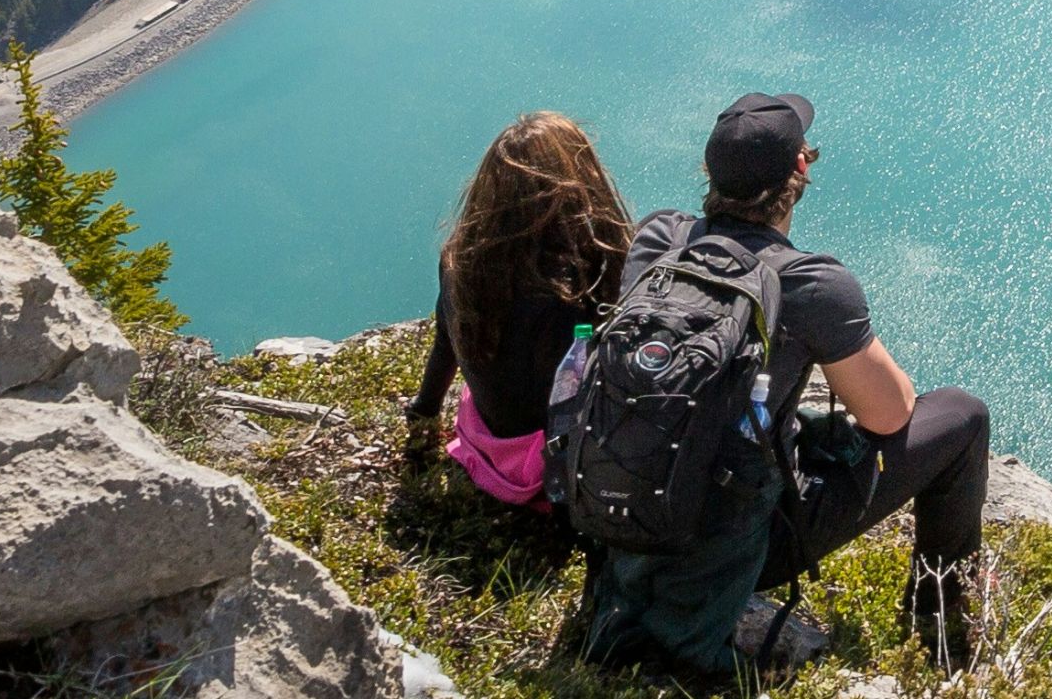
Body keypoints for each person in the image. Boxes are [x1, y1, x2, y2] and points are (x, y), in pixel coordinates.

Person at [584, 92, 989, 672]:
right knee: (962, 416)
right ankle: (941, 625)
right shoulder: (809, 283)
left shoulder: (658, 240)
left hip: (623, 512)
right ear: (800, 168)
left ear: (710, 172)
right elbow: (890, 416)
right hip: (733, 545)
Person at [407, 112, 631, 507]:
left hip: (488, 446)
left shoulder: (459, 260)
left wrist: (424, 415)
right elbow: (572, 400)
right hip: (549, 471)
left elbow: (446, 341)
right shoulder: (575, 287)